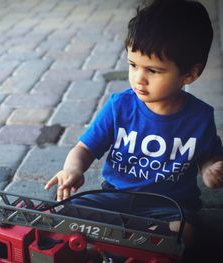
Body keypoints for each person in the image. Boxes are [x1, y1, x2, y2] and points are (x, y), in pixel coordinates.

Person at [44, 0, 223, 254]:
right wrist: (72, 169)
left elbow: (208, 157)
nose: (138, 78)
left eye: (153, 70)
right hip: (114, 197)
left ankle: (127, 245)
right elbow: (84, 147)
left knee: (184, 233)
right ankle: (124, 243)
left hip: (169, 206)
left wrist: (210, 170)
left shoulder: (200, 116)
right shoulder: (120, 106)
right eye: (133, 65)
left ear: (190, 75)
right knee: (62, 211)